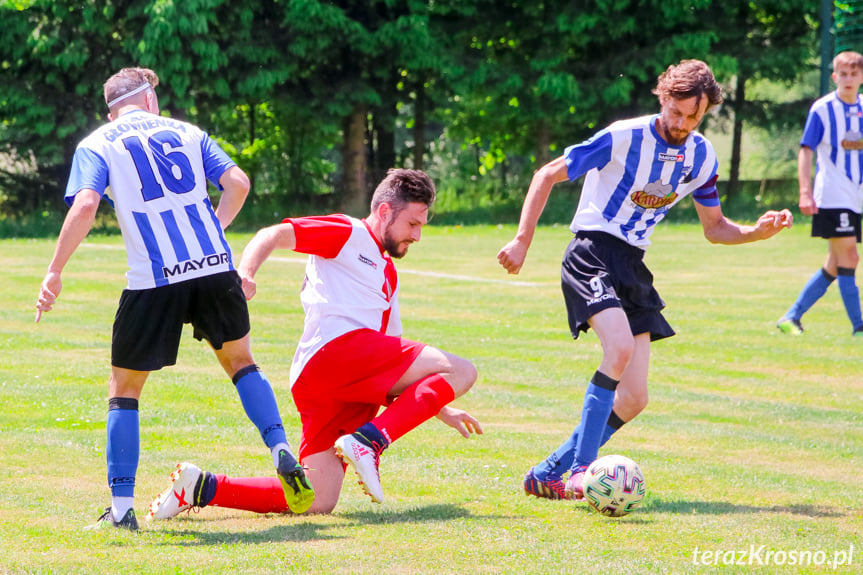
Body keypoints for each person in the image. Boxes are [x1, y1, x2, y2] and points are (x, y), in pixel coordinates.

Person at [497, 59, 793, 501]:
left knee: (634, 398)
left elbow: (715, 228)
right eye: (676, 112)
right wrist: (522, 240)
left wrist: (755, 232)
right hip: (592, 251)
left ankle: (547, 472)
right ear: (663, 97)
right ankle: (580, 472)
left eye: (694, 116)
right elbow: (546, 175)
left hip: (633, 266)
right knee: (616, 350)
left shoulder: (701, 156)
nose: (682, 123)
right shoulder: (622, 136)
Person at [34, 67, 313, 530]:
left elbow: (85, 205)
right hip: (214, 269)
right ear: (147, 101)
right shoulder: (188, 131)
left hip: (153, 280)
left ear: (112, 110)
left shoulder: (98, 142)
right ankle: (281, 448)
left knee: (124, 389)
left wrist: (55, 270)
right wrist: (212, 232)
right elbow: (238, 183)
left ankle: (122, 510)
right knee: (241, 363)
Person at [146, 168, 481, 519]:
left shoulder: (389, 274)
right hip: (335, 355)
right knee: (463, 369)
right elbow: (272, 234)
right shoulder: (348, 231)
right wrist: (245, 273)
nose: (417, 235)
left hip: (341, 381)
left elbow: (394, 366)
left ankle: (201, 487)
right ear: (384, 212)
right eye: (413, 224)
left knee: (317, 499)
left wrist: (438, 405)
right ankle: (369, 443)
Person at [777, 51, 863, 337]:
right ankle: (859, 327)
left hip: (856, 197)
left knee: (835, 264)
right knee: (850, 257)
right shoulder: (823, 109)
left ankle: (792, 317)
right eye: (843, 74)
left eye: (854, 73)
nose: (849, 79)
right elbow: (806, 150)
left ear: (861, 77)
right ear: (835, 76)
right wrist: (805, 191)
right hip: (832, 195)